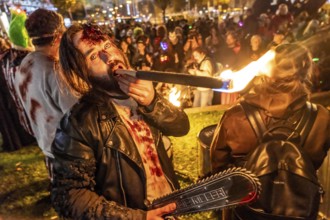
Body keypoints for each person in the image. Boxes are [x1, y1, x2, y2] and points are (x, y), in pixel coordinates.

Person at [50, 23, 190, 219]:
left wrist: (153, 103)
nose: (109, 57)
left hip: (170, 210)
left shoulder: (144, 92)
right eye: (93, 56)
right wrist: (137, 217)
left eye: (106, 46)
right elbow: (68, 195)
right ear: (83, 73)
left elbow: (181, 126)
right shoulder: (79, 122)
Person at [210, 43, 330, 219]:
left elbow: (218, 166)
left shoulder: (236, 116)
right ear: (306, 71)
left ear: (266, 72)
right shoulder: (322, 118)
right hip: (300, 209)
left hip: (245, 211)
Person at [12, 9, 77, 166]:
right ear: (59, 37)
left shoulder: (24, 65)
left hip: (47, 144)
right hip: (69, 150)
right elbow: (77, 114)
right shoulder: (54, 70)